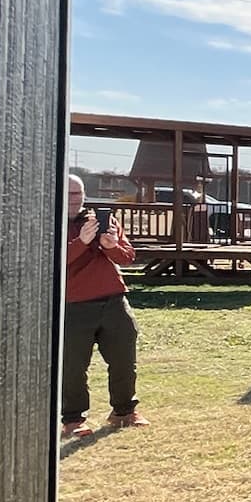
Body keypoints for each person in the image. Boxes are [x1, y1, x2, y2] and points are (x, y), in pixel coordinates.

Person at [63, 173, 148, 437]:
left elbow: (127, 257)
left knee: (124, 357)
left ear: (84, 195)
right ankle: (74, 420)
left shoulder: (102, 220)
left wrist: (110, 246)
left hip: (113, 299)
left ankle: (123, 412)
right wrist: (82, 243)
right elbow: (52, 261)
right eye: (67, 194)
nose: (73, 200)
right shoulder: (48, 221)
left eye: (77, 194)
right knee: (73, 364)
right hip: (74, 304)